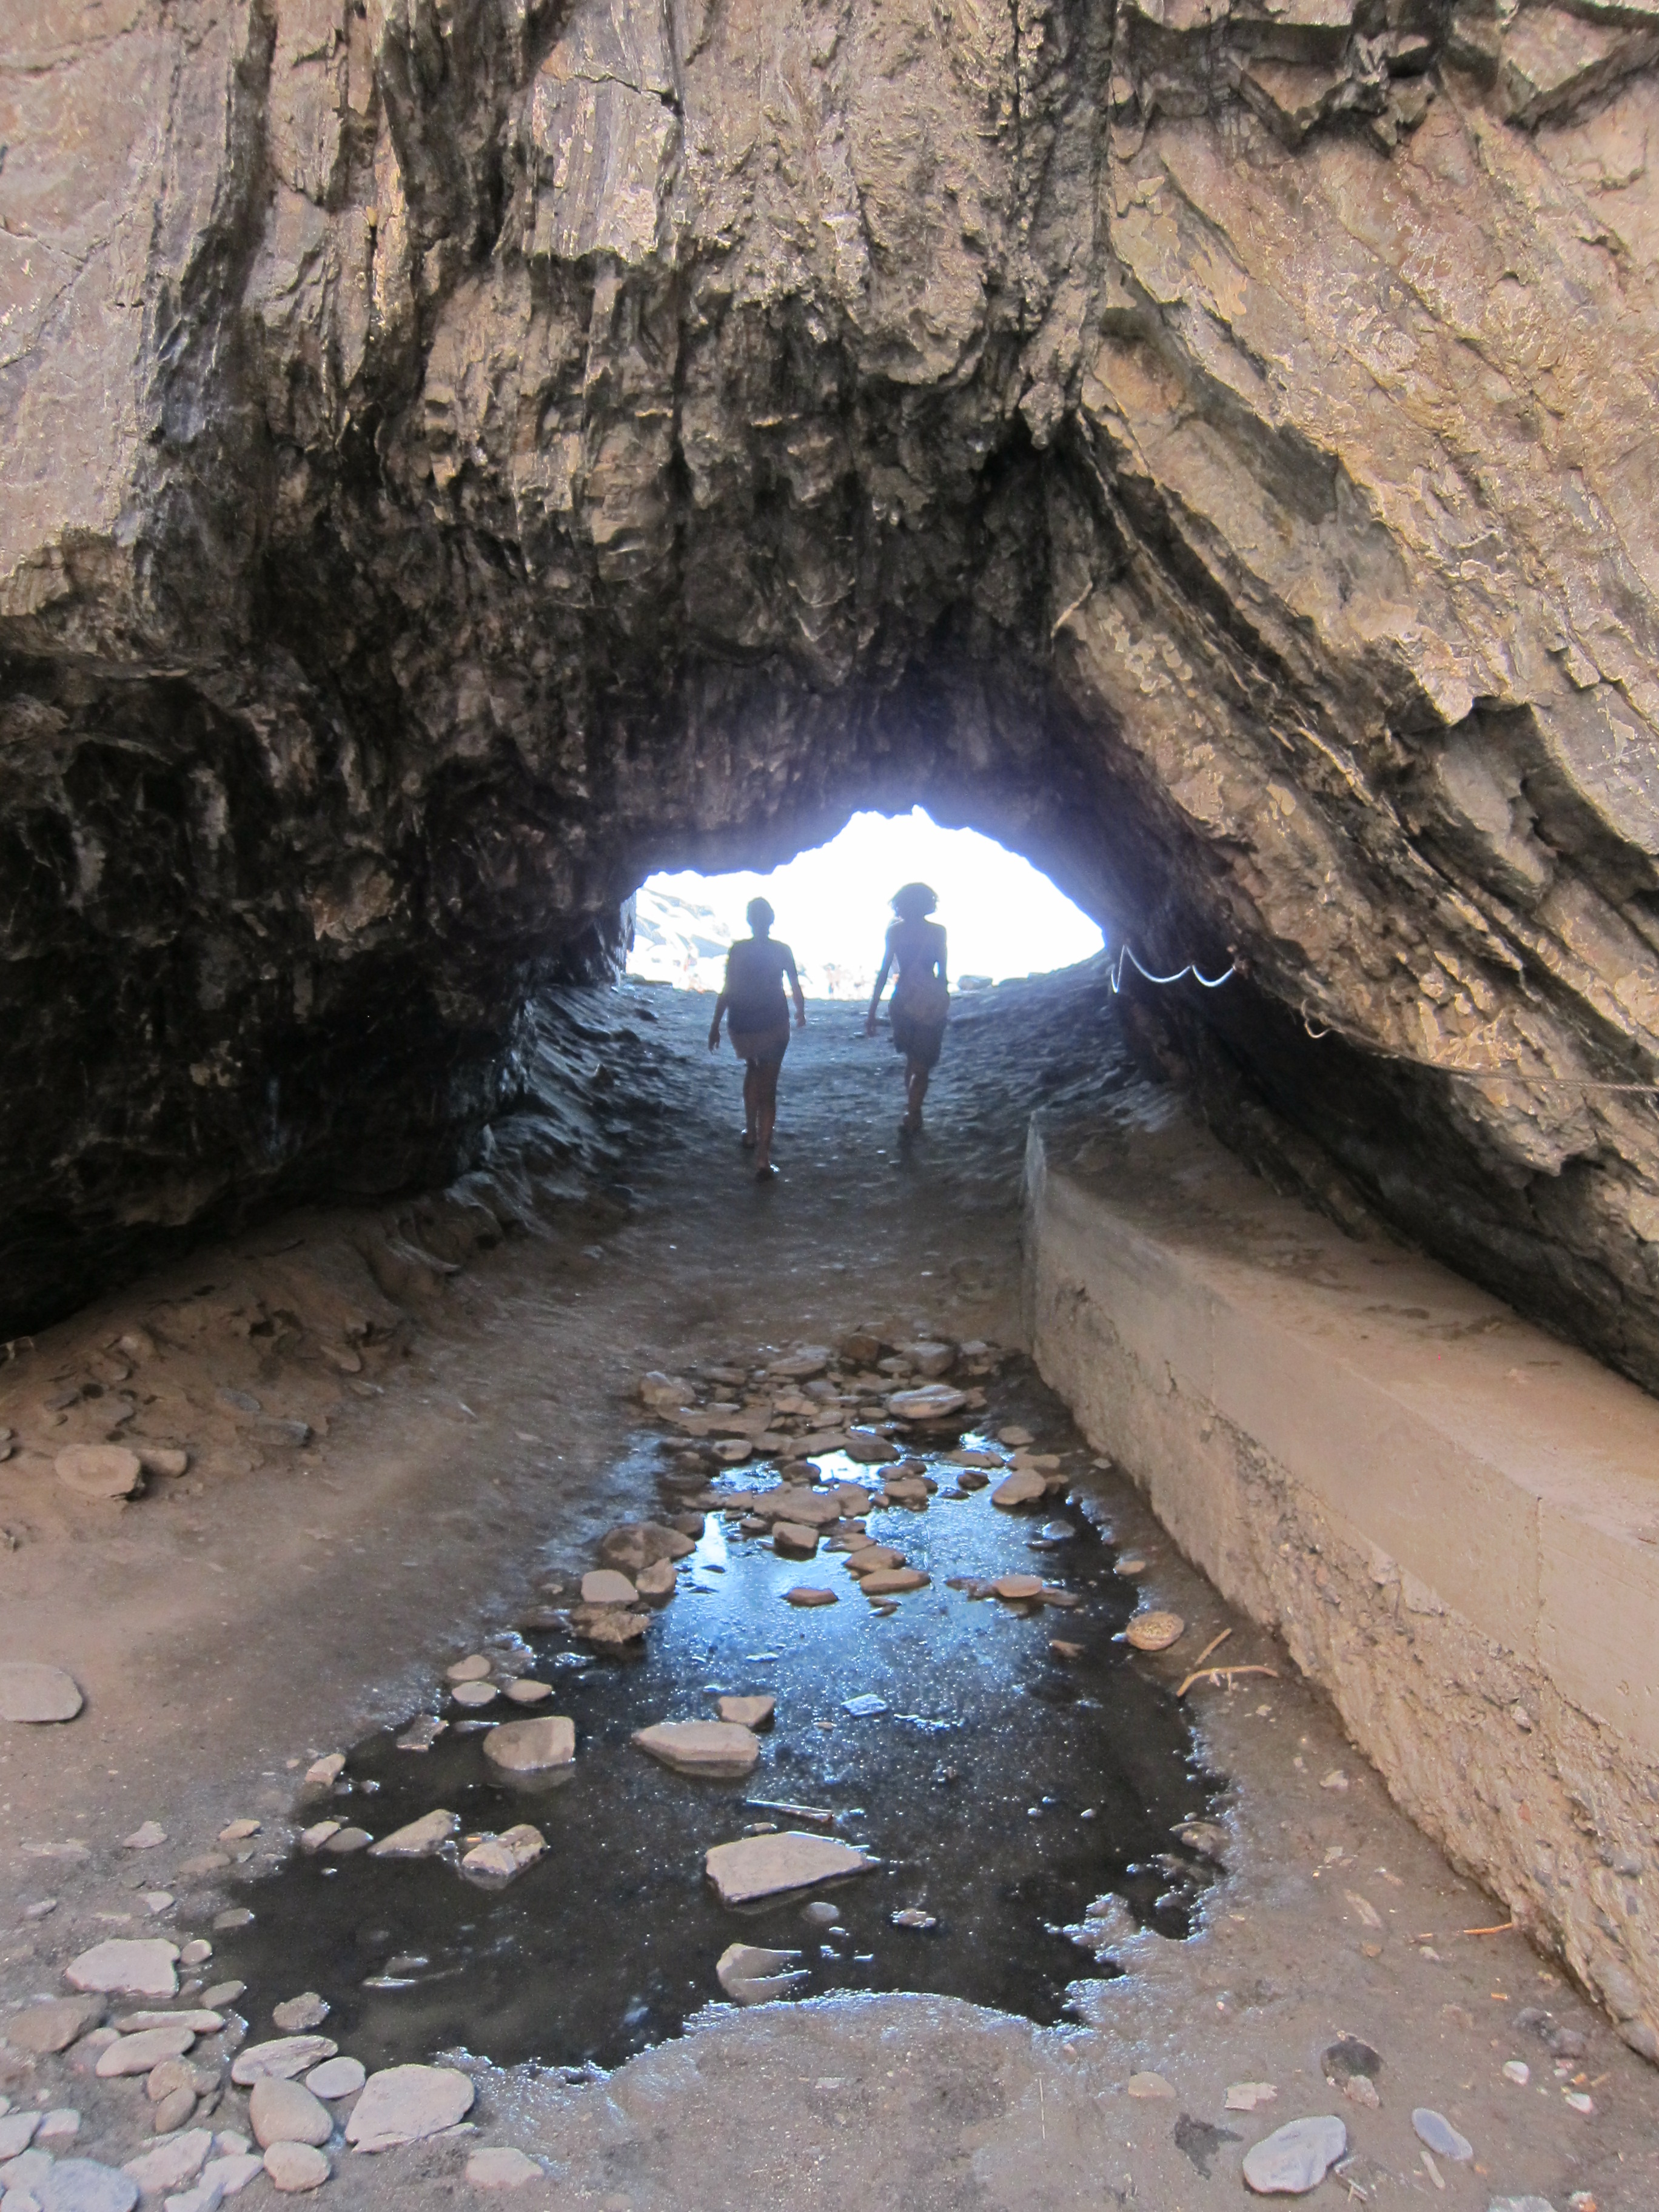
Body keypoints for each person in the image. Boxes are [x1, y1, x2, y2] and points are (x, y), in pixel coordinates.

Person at [708, 897, 806, 1178]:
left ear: (750, 920)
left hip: (743, 1024)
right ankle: (763, 1156)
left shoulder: (738, 950)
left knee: (752, 1069)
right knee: (770, 1088)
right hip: (774, 1023)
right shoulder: (782, 950)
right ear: (772, 920)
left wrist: (715, 1024)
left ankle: (750, 1132)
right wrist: (800, 1013)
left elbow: (728, 990)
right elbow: (795, 986)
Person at [865, 882, 949, 1134]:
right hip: (930, 1002)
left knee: (912, 1061)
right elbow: (943, 972)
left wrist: (872, 1012)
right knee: (922, 1063)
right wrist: (941, 1002)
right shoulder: (938, 932)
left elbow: (884, 971)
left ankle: (912, 1110)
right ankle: (914, 1111)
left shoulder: (895, 933)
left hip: (902, 1002)